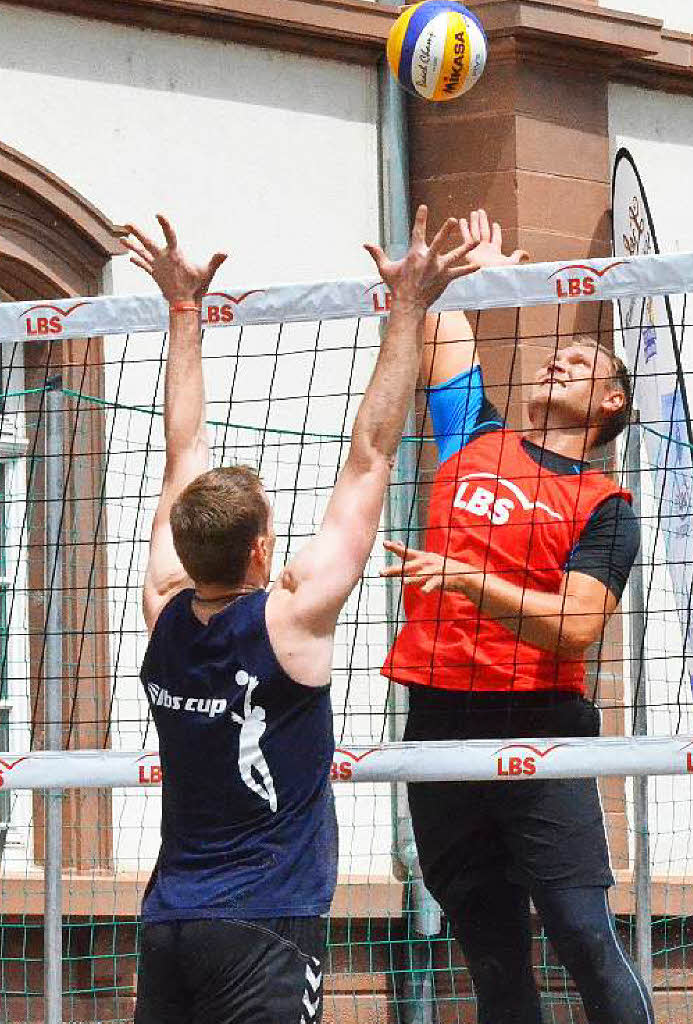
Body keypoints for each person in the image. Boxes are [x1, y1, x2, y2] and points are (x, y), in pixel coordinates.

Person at [120, 208, 479, 1024]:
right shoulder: (290, 620)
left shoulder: (163, 609)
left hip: (169, 919)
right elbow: (371, 456)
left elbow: (183, 453)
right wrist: (409, 310)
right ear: (258, 553)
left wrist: (183, 315)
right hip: (265, 924)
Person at [381, 210, 653, 1024]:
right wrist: (477, 280)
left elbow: (575, 628)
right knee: (491, 955)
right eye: (554, 353)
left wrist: (469, 582)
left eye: (581, 360)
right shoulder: (473, 436)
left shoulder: (603, 504)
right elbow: (440, 332)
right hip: (436, 722)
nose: (557, 359)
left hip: (538, 729)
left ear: (609, 403)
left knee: (579, 935)